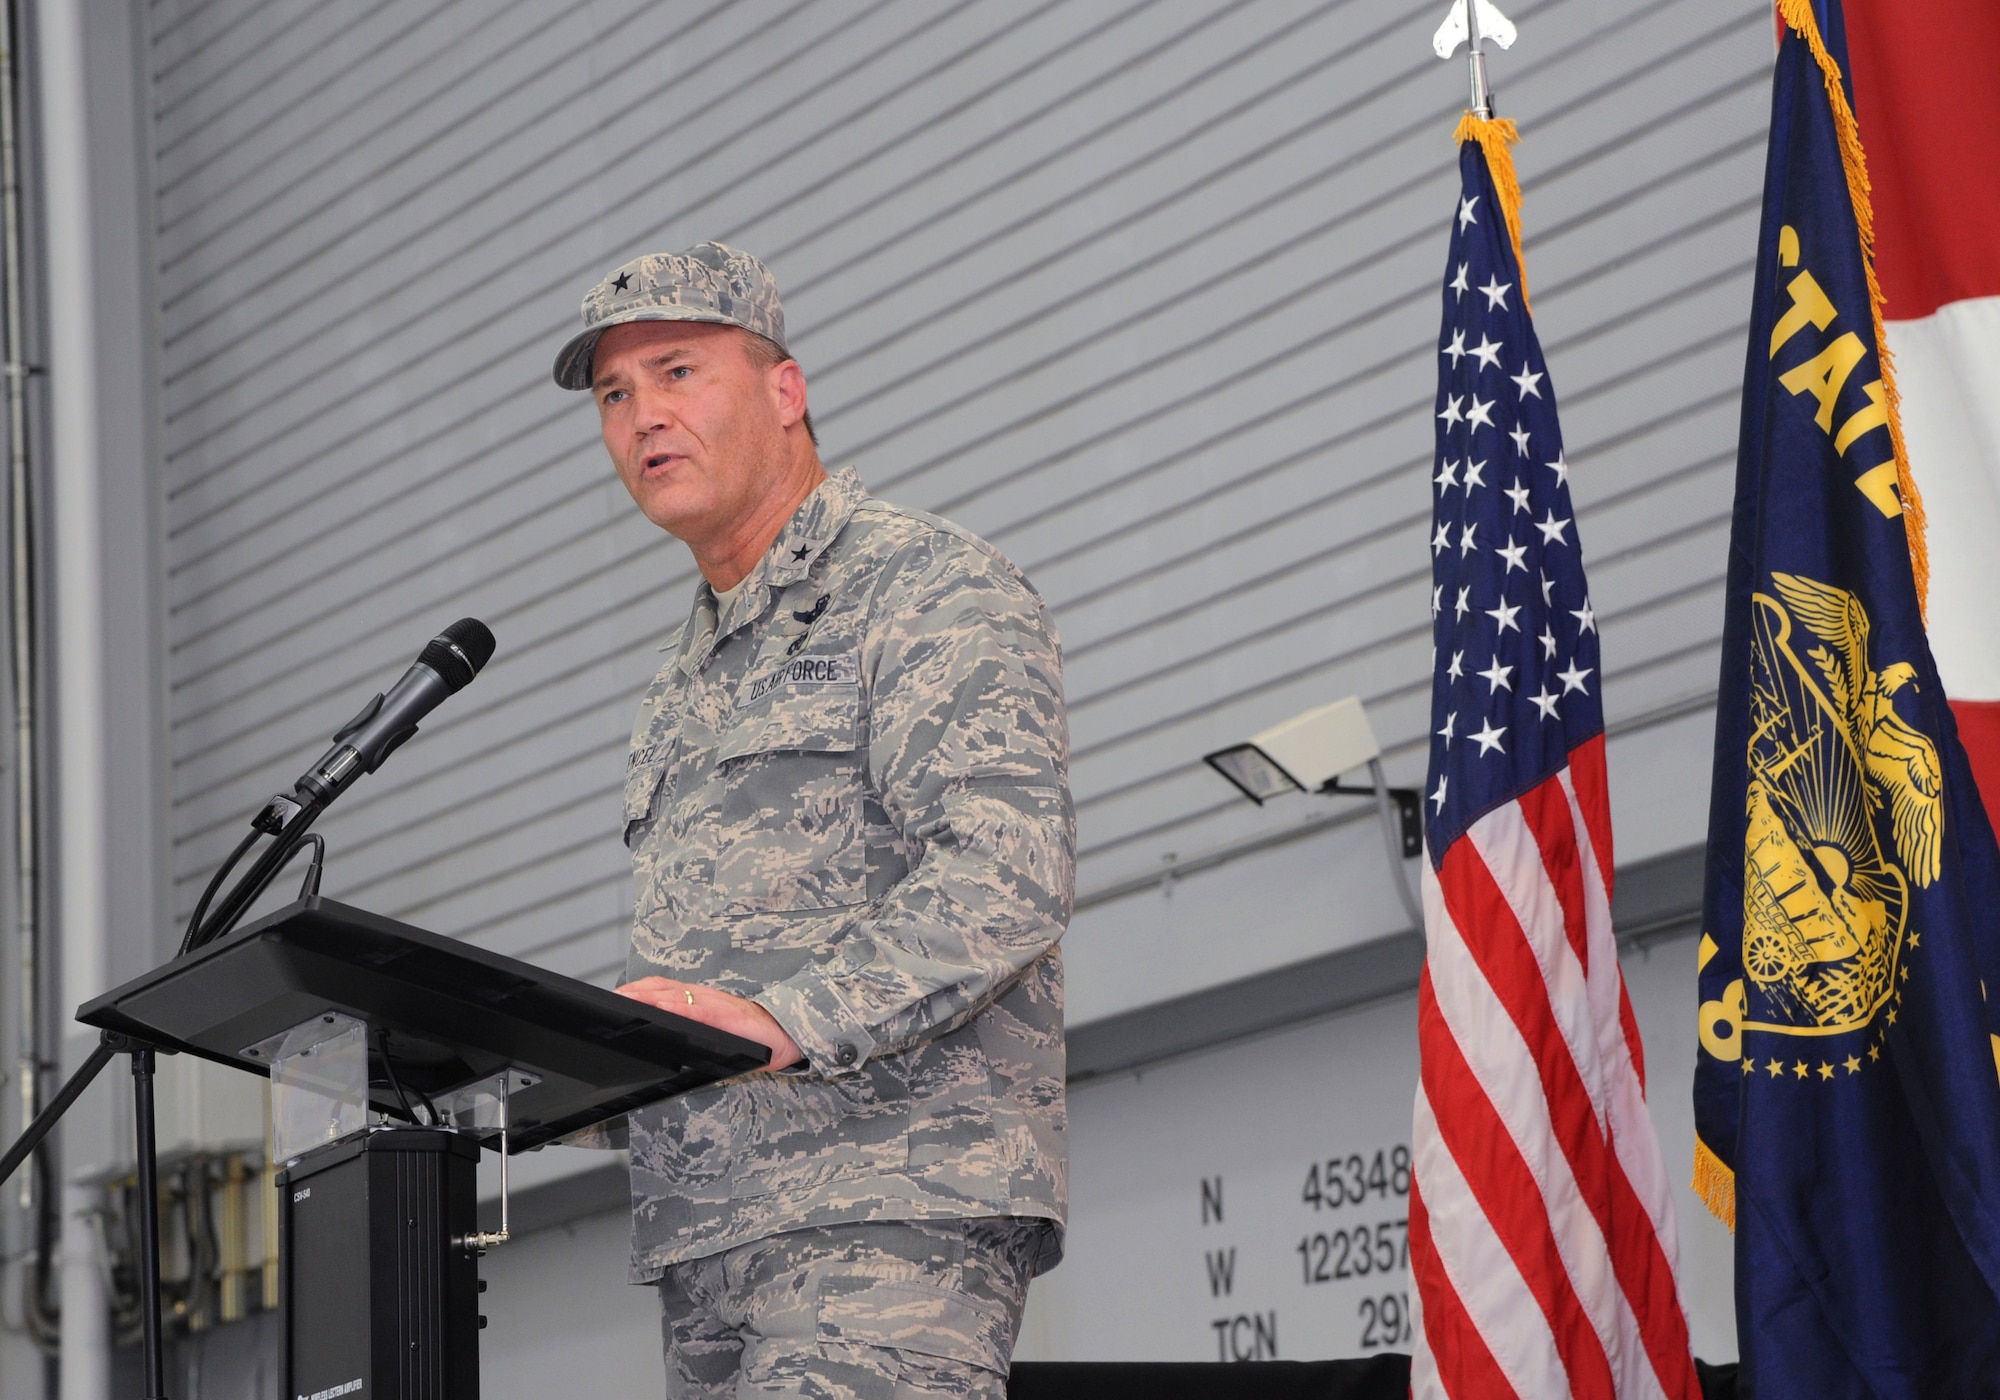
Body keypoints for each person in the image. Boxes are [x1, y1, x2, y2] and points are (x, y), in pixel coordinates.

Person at [552, 242, 1072, 1399]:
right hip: (709, 1239)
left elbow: (1005, 875)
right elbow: (706, 977)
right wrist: (554, 1073)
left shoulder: (927, 586)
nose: (644, 415)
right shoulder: (675, 682)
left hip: (886, 1210)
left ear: (785, 392)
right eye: (614, 394)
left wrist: (782, 1017)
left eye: (678, 370)